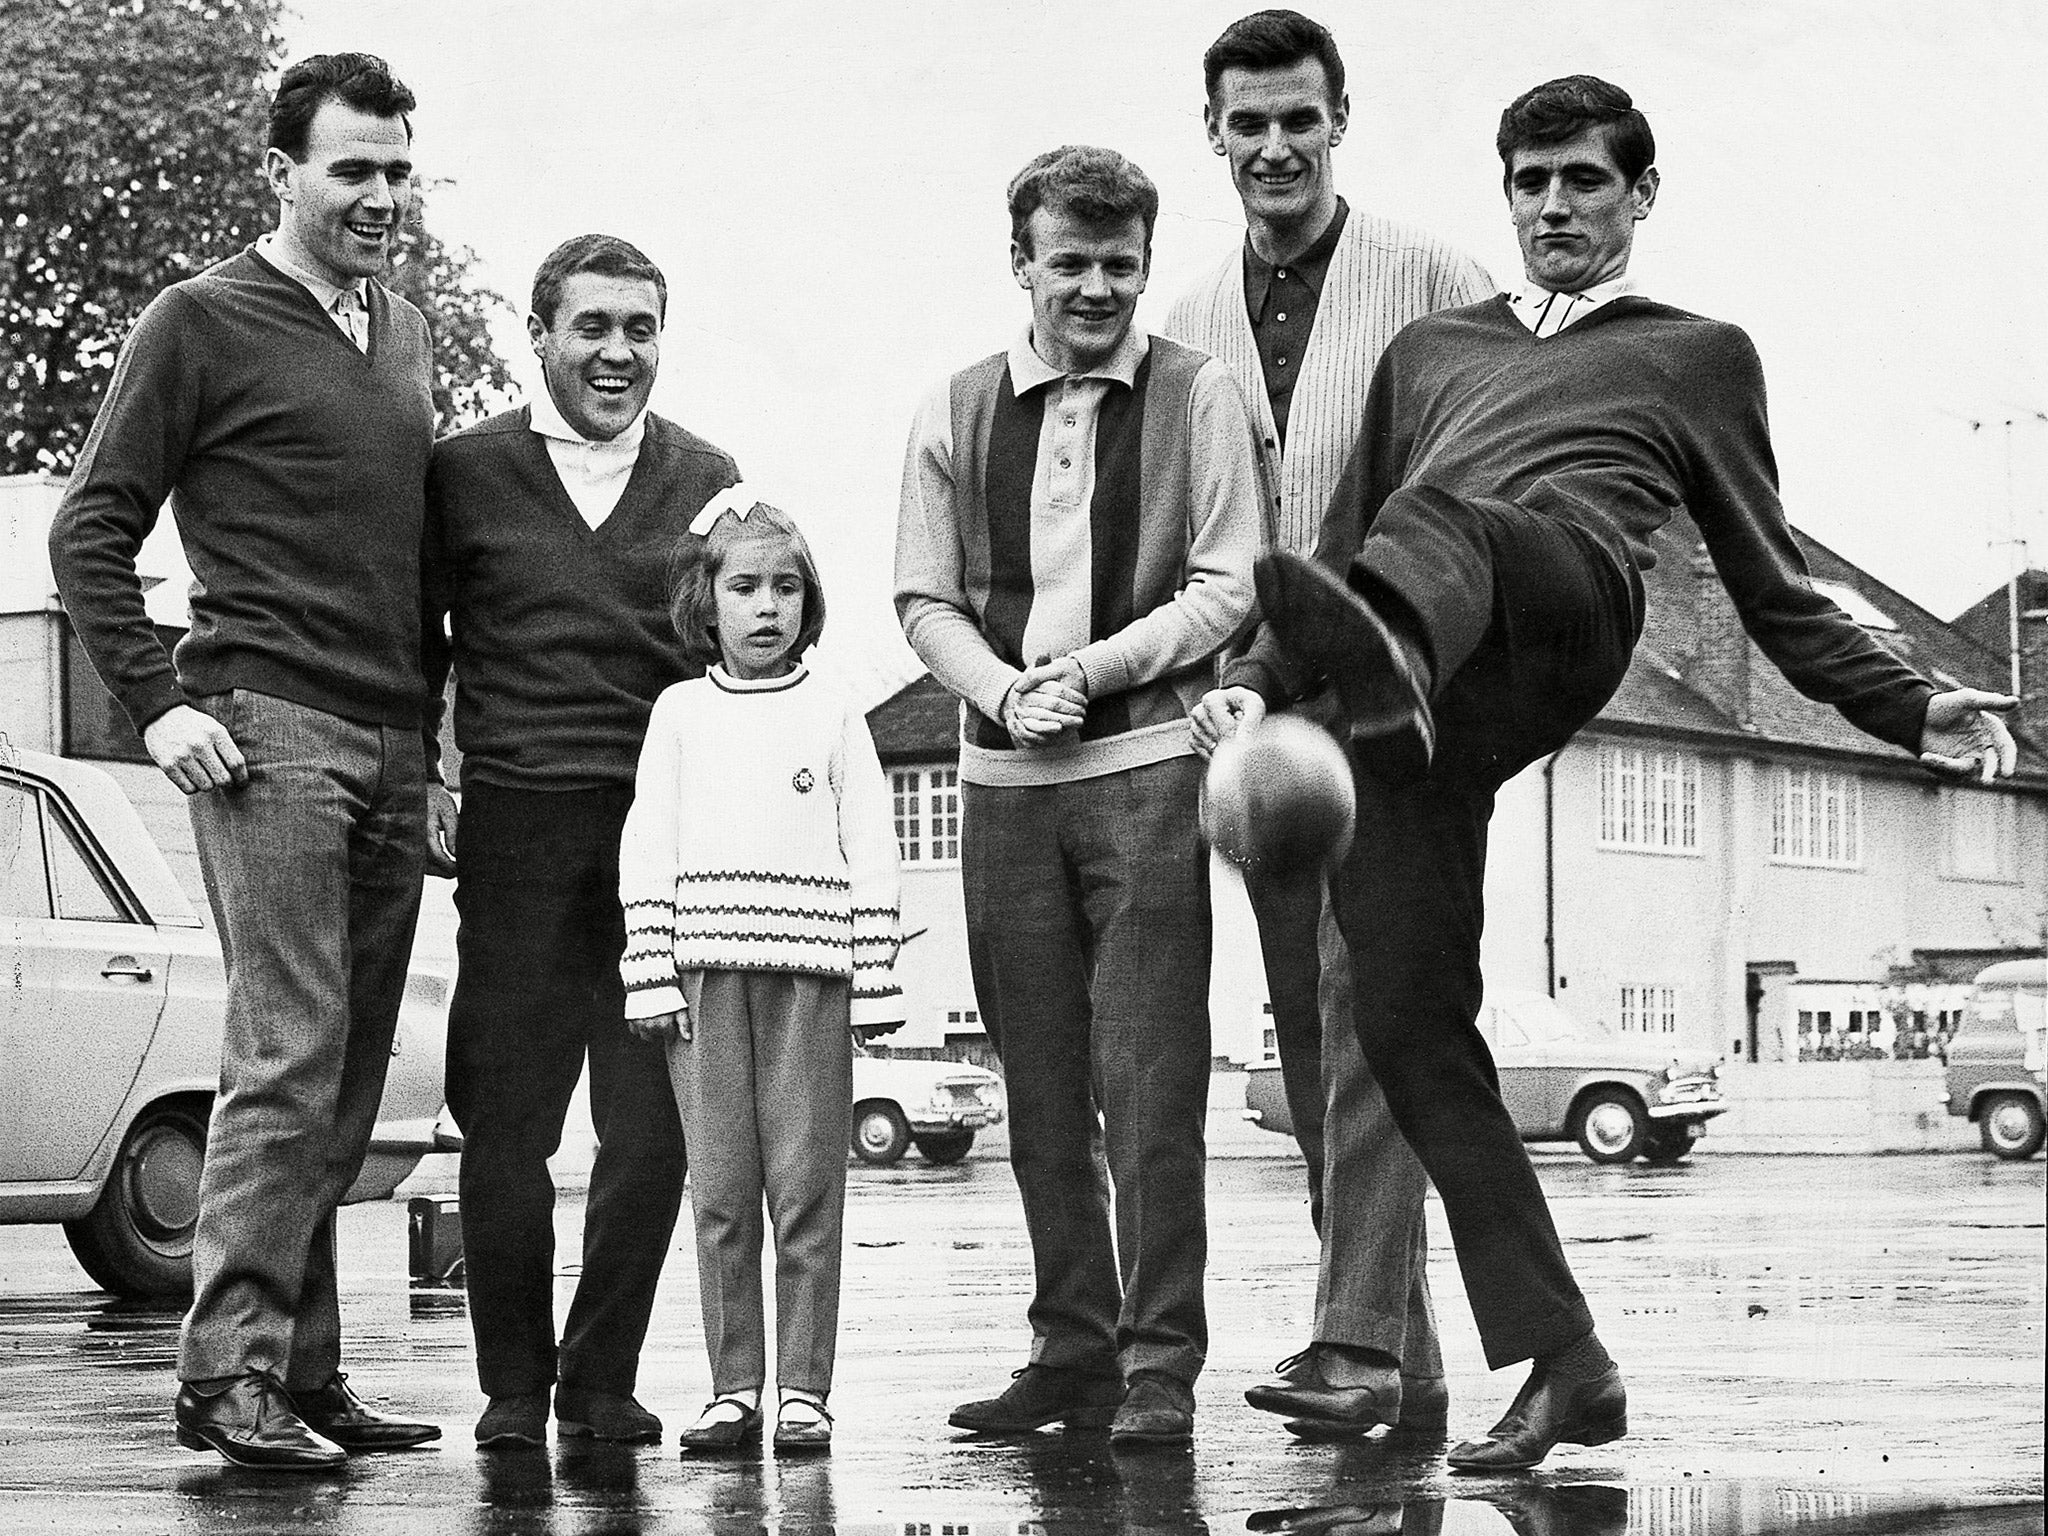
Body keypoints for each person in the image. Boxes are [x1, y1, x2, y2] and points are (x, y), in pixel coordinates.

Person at [1210, 74, 2019, 1471]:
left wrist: (1909, 708)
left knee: (1450, 518)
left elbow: (1778, 586)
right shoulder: (1432, 352)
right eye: (1531, 184)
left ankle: (1393, 664)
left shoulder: (1699, 354)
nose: (1555, 209)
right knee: (1405, 1027)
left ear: (1641, 196)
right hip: (1416, 682)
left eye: (1586, 182)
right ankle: (1567, 1363)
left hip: (1565, 601)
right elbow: (1343, 550)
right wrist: (1264, 681)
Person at [48, 53, 442, 1470]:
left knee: (342, 1075)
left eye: (398, 169)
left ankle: (307, 1373)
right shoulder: (198, 319)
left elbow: (417, 556)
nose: (380, 195)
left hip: (396, 744)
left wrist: (436, 750)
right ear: (282, 172)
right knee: (283, 1053)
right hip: (265, 729)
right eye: (353, 168)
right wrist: (157, 702)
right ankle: (226, 1379)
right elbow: (89, 525)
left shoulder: (400, 334)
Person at [895, 145, 1262, 1449]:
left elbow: (1230, 584)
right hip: (1002, 788)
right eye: (1072, 263)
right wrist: (1000, 691)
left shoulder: (1198, 394)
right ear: (1022, 265)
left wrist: (1091, 672)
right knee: (1039, 1091)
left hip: (1145, 777)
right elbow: (923, 599)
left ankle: (1160, 1365)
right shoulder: (952, 407)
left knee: (1151, 1089)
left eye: (1121, 264)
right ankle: (1072, 1353)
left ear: (1146, 265)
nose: (1096, 287)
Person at [1167, 9, 1492, 1439]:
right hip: (1257, 720)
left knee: (1373, 1009)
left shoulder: (1434, 279)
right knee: (1307, 1041)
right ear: (1216, 134)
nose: (1276, 146)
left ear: (1341, 117)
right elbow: (1182, 537)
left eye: (1301, 117)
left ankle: (1353, 1344)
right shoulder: (1181, 324)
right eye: (1250, 122)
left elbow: (1494, 483)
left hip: (1405, 694)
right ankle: (1401, 1366)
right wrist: (1206, 679)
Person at [421, 234, 740, 1449]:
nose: (617, 351)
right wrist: (427, 779)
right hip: (517, 828)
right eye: (592, 326)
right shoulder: (463, 473)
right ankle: (511, 1387)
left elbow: (736, 655)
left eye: (640, 328)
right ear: (539, 333)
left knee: (652, 1126)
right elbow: (417, 645)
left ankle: (598, 1379)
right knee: (506, 1121)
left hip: (667, 839)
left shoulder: (709, 475)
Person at [619, 495, 903, 1456]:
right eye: (744, 587)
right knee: (724, 1192)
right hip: (704, 987)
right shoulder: (680, 713)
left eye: (785, 587)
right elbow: (646, 846)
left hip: (810, 982)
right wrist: (650, 970)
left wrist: (876, 977)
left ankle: (806, 1392)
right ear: (709, 601)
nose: (766, 607)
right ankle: (734, 1386)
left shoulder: (834, 714)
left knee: (807, 1188)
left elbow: (871, 842)